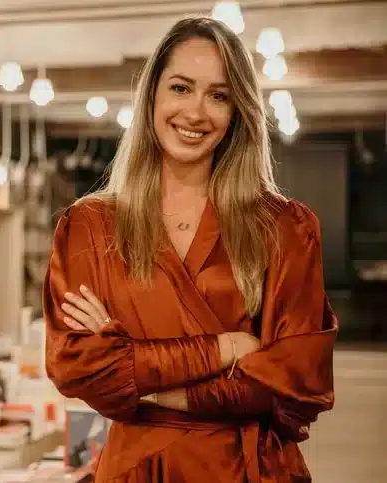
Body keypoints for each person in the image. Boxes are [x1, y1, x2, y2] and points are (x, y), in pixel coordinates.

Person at [43, 16, 338, 483]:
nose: (196, 113)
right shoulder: (89, 227)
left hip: (249, 470)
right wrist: (224, 348)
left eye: (218, 95)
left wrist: (146, 383)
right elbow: (79, 370)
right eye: (181, 88)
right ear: (152, 96)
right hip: (136, 469)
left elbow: (297, 385)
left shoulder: (285, 227)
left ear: (238, 110)